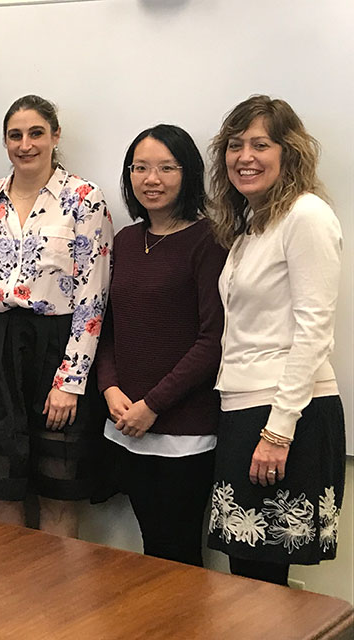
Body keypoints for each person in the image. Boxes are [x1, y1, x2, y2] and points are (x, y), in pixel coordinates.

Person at [0, 95, 113, 538]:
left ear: (55, 137)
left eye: (36, 133)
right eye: (15, 135)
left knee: (58, 488)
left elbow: (92, 297)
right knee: (1, 486)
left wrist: (71, 381)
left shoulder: (83, 198)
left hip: (56, 351)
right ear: (5, 141)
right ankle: (8, 600)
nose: (26, 144)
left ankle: (60, 605)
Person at [206, 95, 345, 585]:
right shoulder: (252, 225)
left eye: (260, 144)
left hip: (285, 415)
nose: (245, 156)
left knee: (262, 582)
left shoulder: (306, 215)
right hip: (245, 408)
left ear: (288, 153)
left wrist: (278, 430)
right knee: (246, 577)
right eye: (235, 144)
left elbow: (314, 331)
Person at [94, 124, 227, 566]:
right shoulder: (127, 240)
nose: (152, 179)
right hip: (126, 425)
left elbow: (213, 341)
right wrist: (110, 390)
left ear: (187, 173)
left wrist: (152, 404)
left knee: (179, 556)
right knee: (151, 552)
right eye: (141, 168)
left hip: (183, 431)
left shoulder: (209, 241)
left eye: (166, 168)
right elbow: (107, 328)